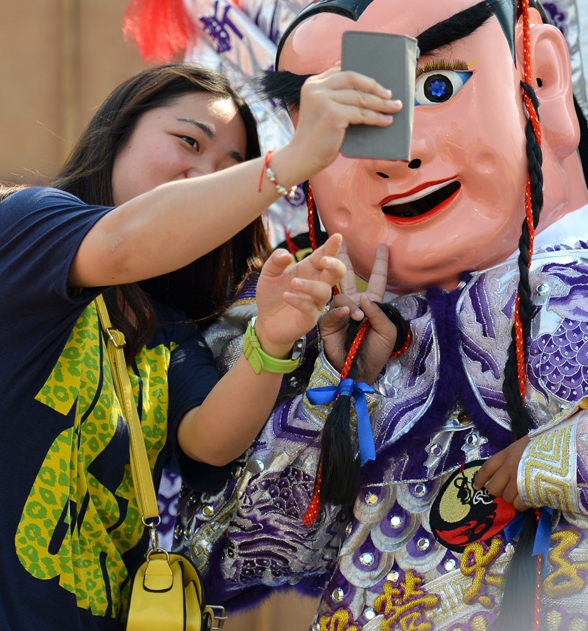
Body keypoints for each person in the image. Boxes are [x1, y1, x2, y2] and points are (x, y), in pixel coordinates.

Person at [174, 1, 588, 630]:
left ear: (543, 80)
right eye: (341, 122)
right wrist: (333, 386)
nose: (397, 157)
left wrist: (561, 459)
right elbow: (237, 557)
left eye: (437, 87)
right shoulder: (326, 337)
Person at [0, 62, 402, 631]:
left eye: (228, 171)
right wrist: (294, 159)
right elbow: (119, 244)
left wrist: (273, 337)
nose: (204, 174)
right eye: (189, 141)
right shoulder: (26, 222)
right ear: (118, 133)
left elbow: (210, 441)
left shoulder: (166, 325)